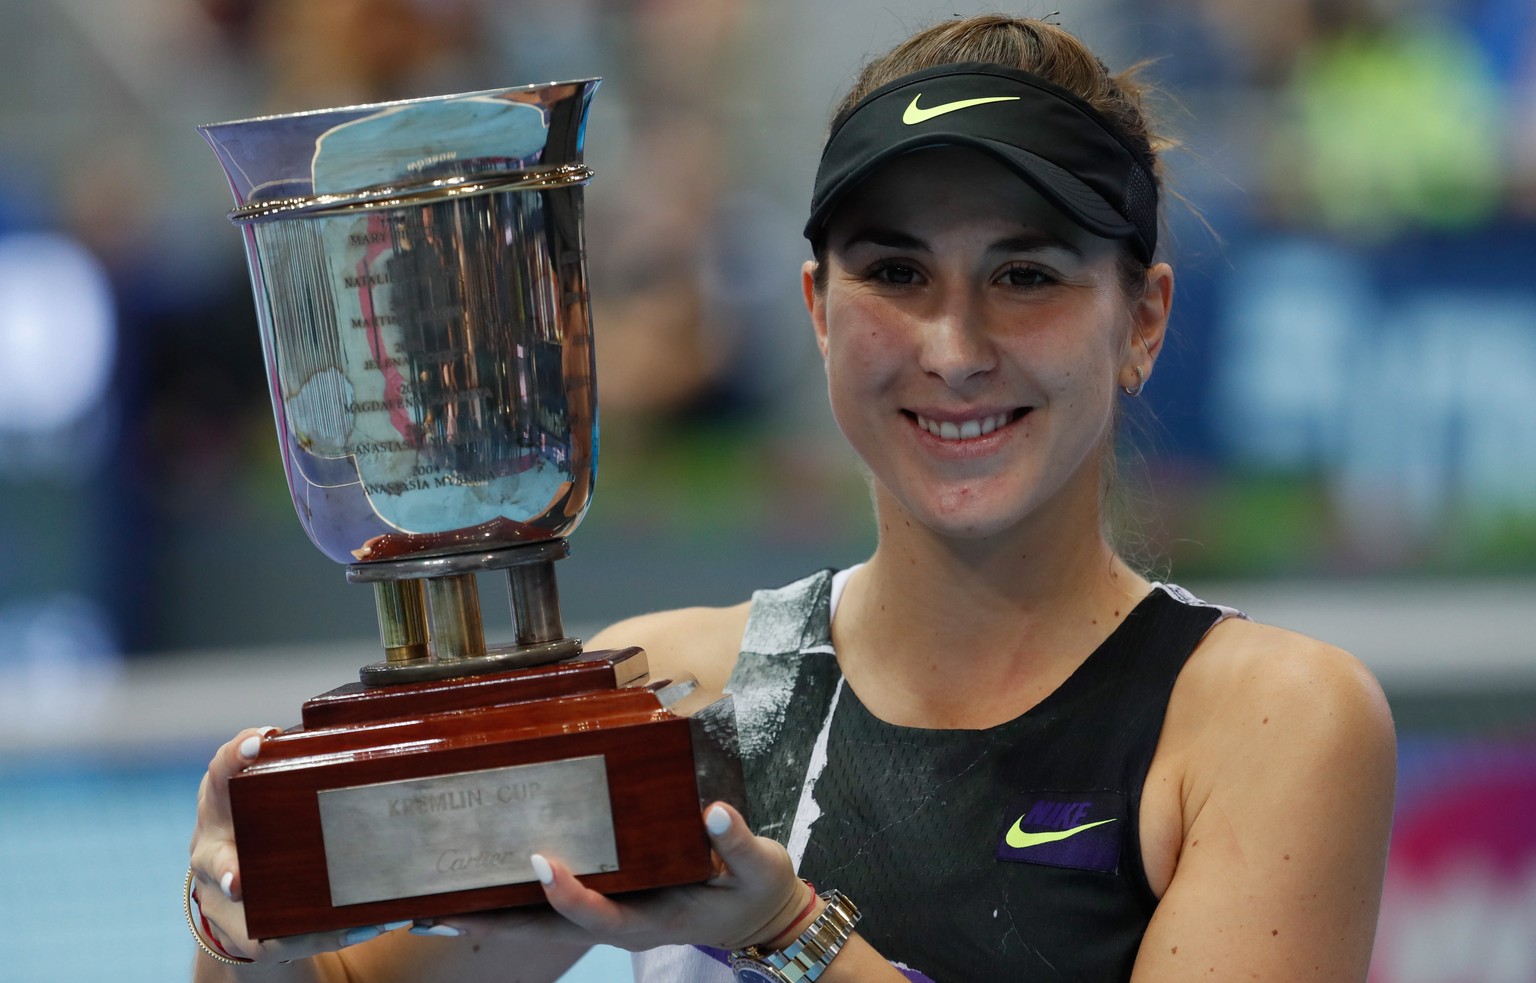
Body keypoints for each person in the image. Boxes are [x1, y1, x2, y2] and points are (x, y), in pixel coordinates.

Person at [187, 13, 1396, 982]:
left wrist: (786, 934)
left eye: (1025, 274)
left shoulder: (1264, 721)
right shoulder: (673, 690)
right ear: (819, 311)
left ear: (1142, 321)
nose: (955, 345)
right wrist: (241, 932)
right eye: (895, 272)